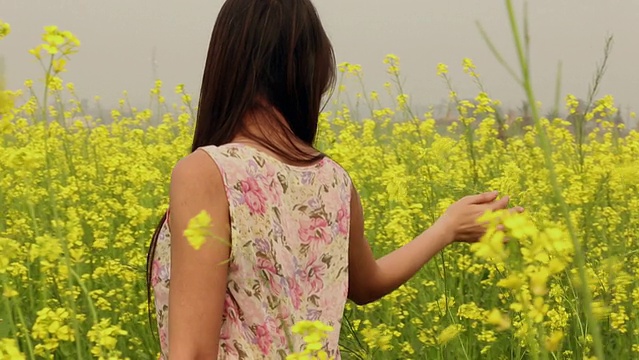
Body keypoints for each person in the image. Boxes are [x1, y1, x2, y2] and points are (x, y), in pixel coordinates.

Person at [145, 0, 521, 359]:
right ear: (313, 72)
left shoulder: (206, 172)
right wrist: (446, 228)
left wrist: (448, 229)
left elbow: (192, 353)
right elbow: (368, 283)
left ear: (224, 66)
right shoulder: (334, 180)